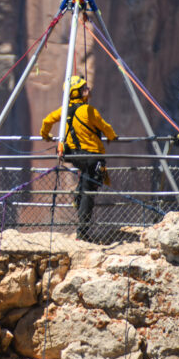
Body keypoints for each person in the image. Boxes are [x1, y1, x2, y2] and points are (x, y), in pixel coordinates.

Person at [40, 75, 118, 241]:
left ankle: (78, 195)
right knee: (88, 194)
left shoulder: (64, 110)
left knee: (85, 185)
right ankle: (82, 232)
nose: (87, 90)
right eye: (83, 88)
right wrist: (112, 136)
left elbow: (47, 121)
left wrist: (45, 135)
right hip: (92, 157)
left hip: (74, 156)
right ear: (75, 92)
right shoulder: (89, 110)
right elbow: (105, 127)